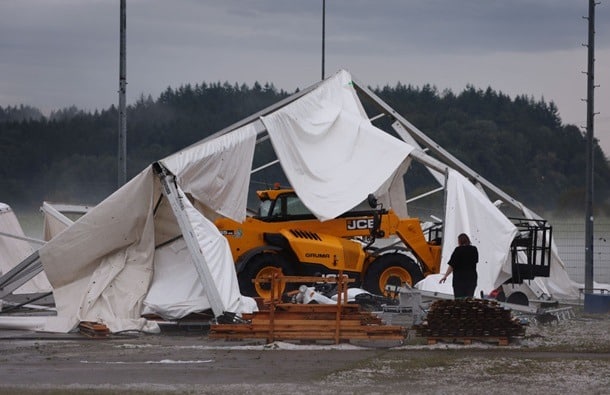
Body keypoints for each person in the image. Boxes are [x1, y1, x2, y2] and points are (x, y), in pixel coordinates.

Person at [439, 233, 478, 299]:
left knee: (459, 301)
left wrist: (445, 276)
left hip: (459, 280)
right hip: (471, 279)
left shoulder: (458, 250)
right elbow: (476, 261)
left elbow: (452, 265)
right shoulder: (474, 249)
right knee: (469, 300)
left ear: (459, 241)